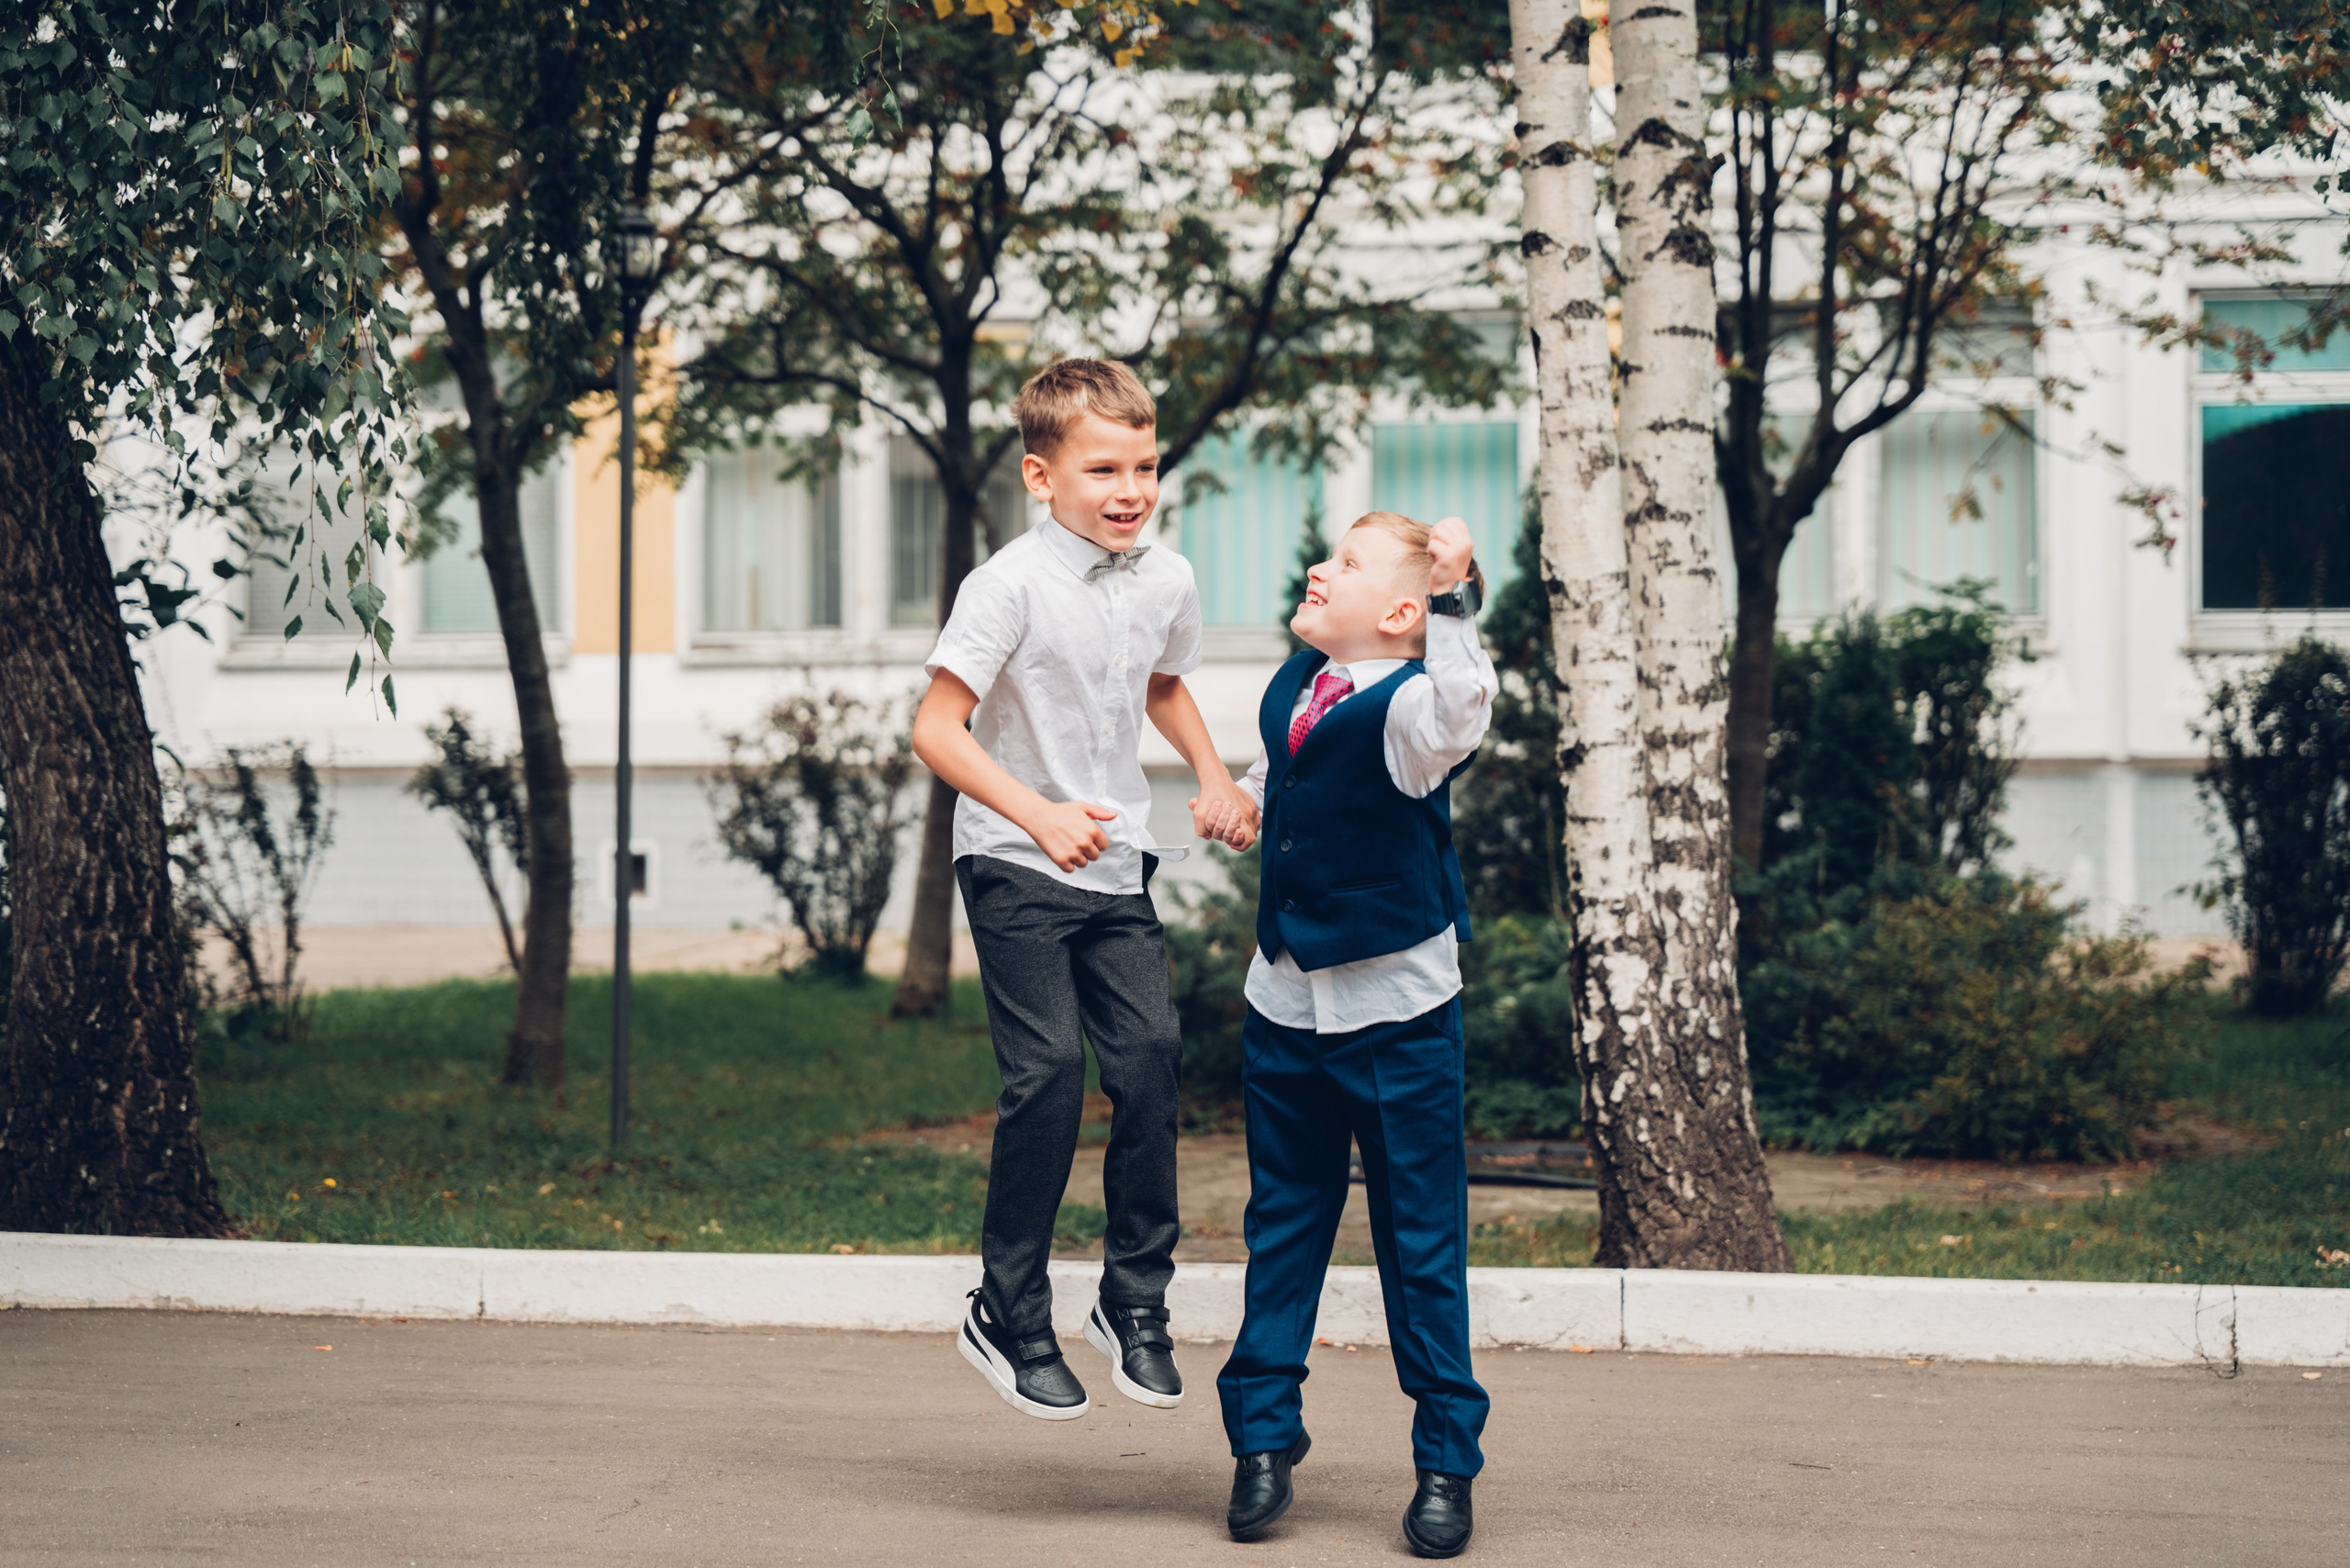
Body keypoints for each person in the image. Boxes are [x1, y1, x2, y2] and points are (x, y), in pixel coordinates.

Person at [910, 358, 1256, 1421]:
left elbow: (1161, 683)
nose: (1129, 489)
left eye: (1144, 466)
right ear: (1040, 475)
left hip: (1114, 861)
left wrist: (1212, 775)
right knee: (1052, 1068)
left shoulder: (1166, 578)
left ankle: (1133, 1300)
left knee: (1150, 1059)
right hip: (1014, 858)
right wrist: (1038, 813)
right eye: (1102, 468)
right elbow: (935, 728)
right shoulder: (1007, 584)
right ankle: (1007, 1310)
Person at [1206, 510, 1496, 1558]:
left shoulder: (1415, 708)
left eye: (1348, 562)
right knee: (1282, 1224)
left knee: (1420, 1243)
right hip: (1284, 1002)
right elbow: (1283, 772)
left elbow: (1462, 709)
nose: (1319, 567)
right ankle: (1261, 1438)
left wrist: (1457, 598)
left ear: (1403, 612)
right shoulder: (1299, 683)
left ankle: (1445, 1461)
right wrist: (1244, 803)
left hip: (1396, 1016)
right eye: (1328, 552)